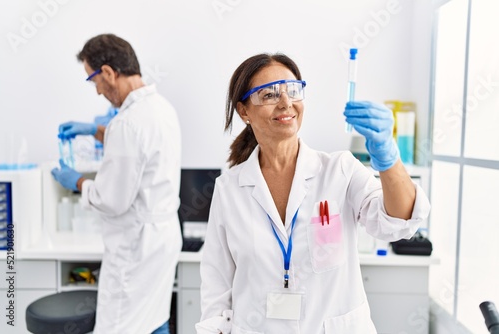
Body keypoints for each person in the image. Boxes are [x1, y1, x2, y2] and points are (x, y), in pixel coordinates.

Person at [195, 53, 431, 333]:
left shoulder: (339, 171)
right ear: (244, 111)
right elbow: (217, 285)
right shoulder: (230, 188)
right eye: (269, 94)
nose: (286, 102)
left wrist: (388, 158)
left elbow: (399, 223)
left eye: (293, 90)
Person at [51, 34, 182, 334]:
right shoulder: (161, 108)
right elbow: (138, 146)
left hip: (135, 249)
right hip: (162, 239)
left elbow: (111, 200)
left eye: (93, 80)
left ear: (109, 72)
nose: (97, 91)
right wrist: (96, 131)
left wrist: (78, 182)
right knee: (154, 320)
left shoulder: (128, 122)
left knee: (119, 326)